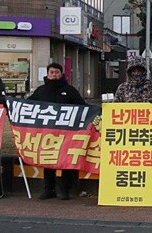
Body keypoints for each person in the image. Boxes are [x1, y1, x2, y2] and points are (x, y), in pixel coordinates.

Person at [28, 62, 87, 200]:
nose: (54, 75)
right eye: (51, 72)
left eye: (56, 72)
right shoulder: (41, 91)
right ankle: (49, 190)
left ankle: (65, 190)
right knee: (48, 161)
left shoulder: (70, 90)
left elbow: (83, 107)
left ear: (61, 74)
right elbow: (28, 104)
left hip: (66, 134)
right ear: (47, 74)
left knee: (65, 161)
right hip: (46, 134)